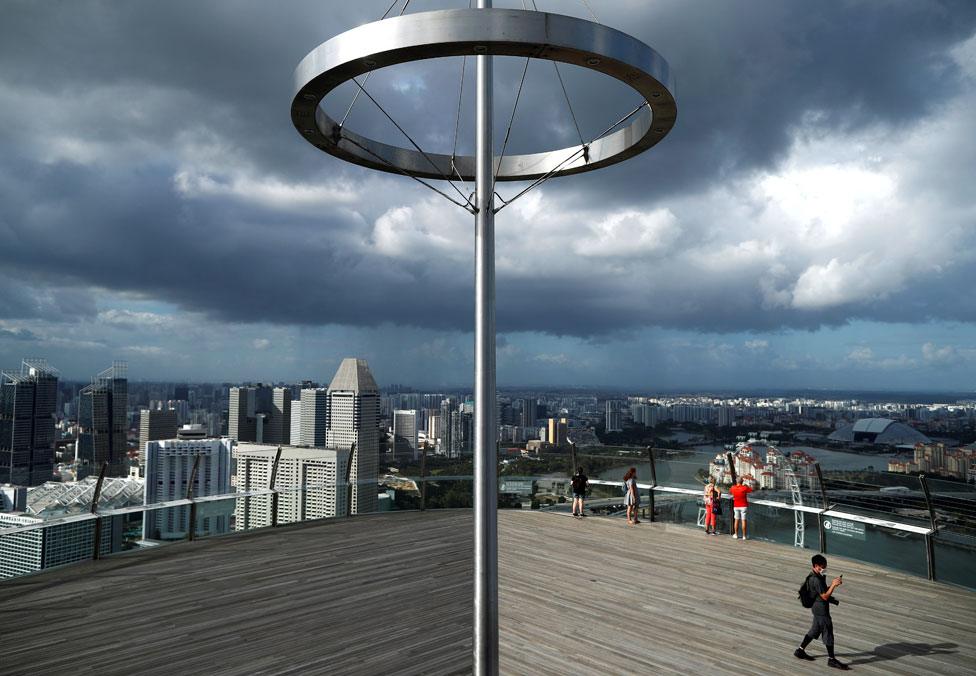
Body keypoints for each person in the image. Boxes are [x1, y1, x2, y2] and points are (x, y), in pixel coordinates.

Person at [795, 554, 849, 670]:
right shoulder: (816, 579)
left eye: (825, 566)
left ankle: (800, 650)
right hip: (821, 610)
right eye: (822, 567)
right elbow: (824, 596)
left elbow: (822, 591)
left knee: (814, 630)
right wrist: (834, 585)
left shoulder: (815, 576)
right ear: (815, 566)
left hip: (817, 608)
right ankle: (831, 659)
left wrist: (833, 585)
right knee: (828, 631)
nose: (824, 569)